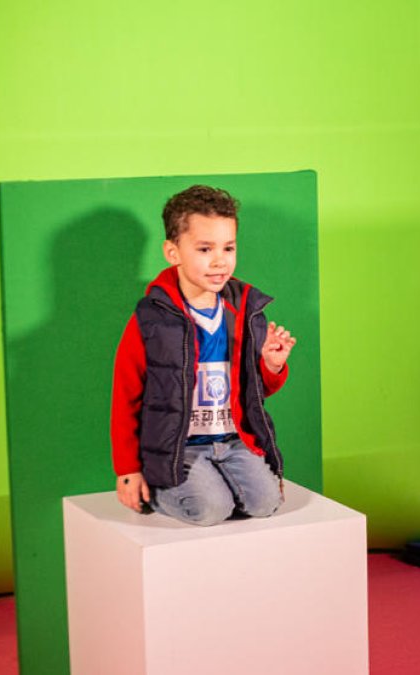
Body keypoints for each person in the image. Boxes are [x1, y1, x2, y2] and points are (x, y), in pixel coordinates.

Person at [110, 185, 297, 526]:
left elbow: (255, 390)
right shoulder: (151, 319)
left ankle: (218, 483)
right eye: (204, 249)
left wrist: (272, 365)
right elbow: (125, 396)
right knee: (211, 509)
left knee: (266, 503)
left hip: (232, 440)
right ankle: (165, 487)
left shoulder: (245, 311)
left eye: (228, 247)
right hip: (179, 448)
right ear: (173, 252)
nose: (219, 260)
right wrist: (127, 470)